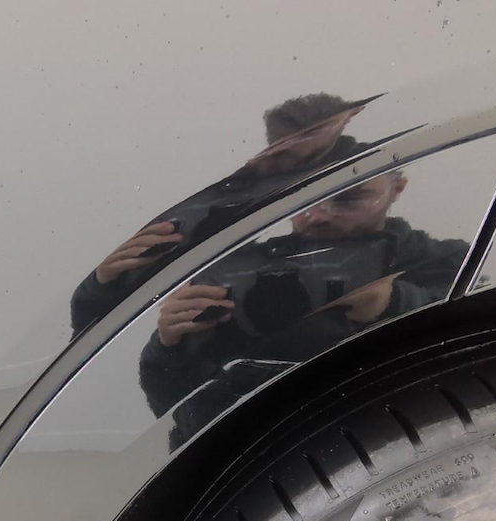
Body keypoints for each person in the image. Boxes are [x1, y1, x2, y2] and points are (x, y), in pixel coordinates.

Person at [138, 95, 469, 446]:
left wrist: (393, 304)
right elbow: (185, 420)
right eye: (301, 198)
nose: (318, 215)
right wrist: (170, 346)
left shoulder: (446, 263)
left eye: (348, 197)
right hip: (264, 459)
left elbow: (470, 364)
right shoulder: (239, 273)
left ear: (396, 189)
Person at [69, 94, 372, 338]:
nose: (316, 214)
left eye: (347, 199)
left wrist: (385, 301)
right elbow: (175, 389)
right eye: (278, 154)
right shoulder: (211, 211)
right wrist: (106, 284)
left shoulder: (369, 177)